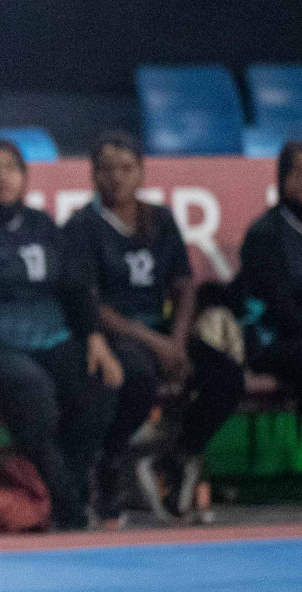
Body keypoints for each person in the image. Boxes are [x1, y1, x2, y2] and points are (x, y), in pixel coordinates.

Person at [0, 138, 123, 529]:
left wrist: (95, 339)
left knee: (98, 384)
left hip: (48, 333)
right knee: (34, 391)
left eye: (12, 167)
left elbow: (76, 288)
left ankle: (67, 486)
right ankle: (65, 501)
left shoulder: (41, 225)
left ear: (25, 176)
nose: (3, 177)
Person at [64, 132, 245, 522]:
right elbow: (89, 303)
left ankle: (176, 457)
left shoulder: (160, 218)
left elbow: (183, 286)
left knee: (226, 376)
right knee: (138, 376)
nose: (117, 178)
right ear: (93, 176)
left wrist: (177, 340)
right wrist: (155, 342)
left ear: (142, 172)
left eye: (126, 169)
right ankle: (110, 461)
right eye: (107, 170)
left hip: (164, 332)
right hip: (115, 335)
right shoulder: (81, 226)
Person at [239, 140, 302, 392]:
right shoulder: (265, 234)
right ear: (282, 177)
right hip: (273, 341)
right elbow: (283, 313)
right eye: (298, 172)